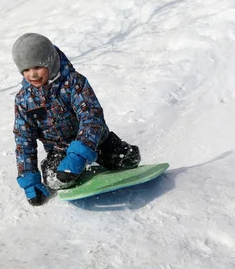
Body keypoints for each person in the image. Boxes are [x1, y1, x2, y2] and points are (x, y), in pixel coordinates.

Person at [13, 33, 141, 206]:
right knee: (55, 179)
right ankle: (69, 169)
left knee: (125, 160)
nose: (32, 74)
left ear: (49, 61)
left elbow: (91, 117)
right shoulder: (24, 100)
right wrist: (30, 180)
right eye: (26, 70)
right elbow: (23, 140)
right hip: (59, 149)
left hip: (96, 141)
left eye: (37, 67)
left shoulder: (74, 83)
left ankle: (117, 152)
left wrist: (79, 154)